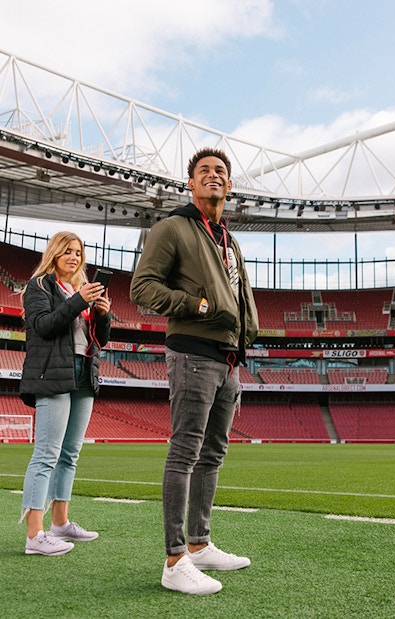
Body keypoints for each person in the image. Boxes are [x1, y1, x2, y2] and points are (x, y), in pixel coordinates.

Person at [130, 147, 259, 595]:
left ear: (229, 185)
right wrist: (195, 305)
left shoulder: (228, 237)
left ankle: (201, 544)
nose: (213, 176)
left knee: (213, 454)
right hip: (192, 353)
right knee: (185, 451)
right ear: (190, 183)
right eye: (203, 171)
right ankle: (174, 558)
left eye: (220, 171)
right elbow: (142, 286)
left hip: (227, 358)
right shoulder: (173, 227)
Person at [19, 231, 112, 556]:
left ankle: (60, 523)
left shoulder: (79, 290)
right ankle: (35, 534)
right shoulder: (40, 286)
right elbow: (43, 326)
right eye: (67, 251)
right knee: (46, 453)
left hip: (84, 373)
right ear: (55, 254)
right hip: (54, 374)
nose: (74, 257)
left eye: (78, 252)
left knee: (70, 454)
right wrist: (78, 301)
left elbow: (100, 338)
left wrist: (102, 314)